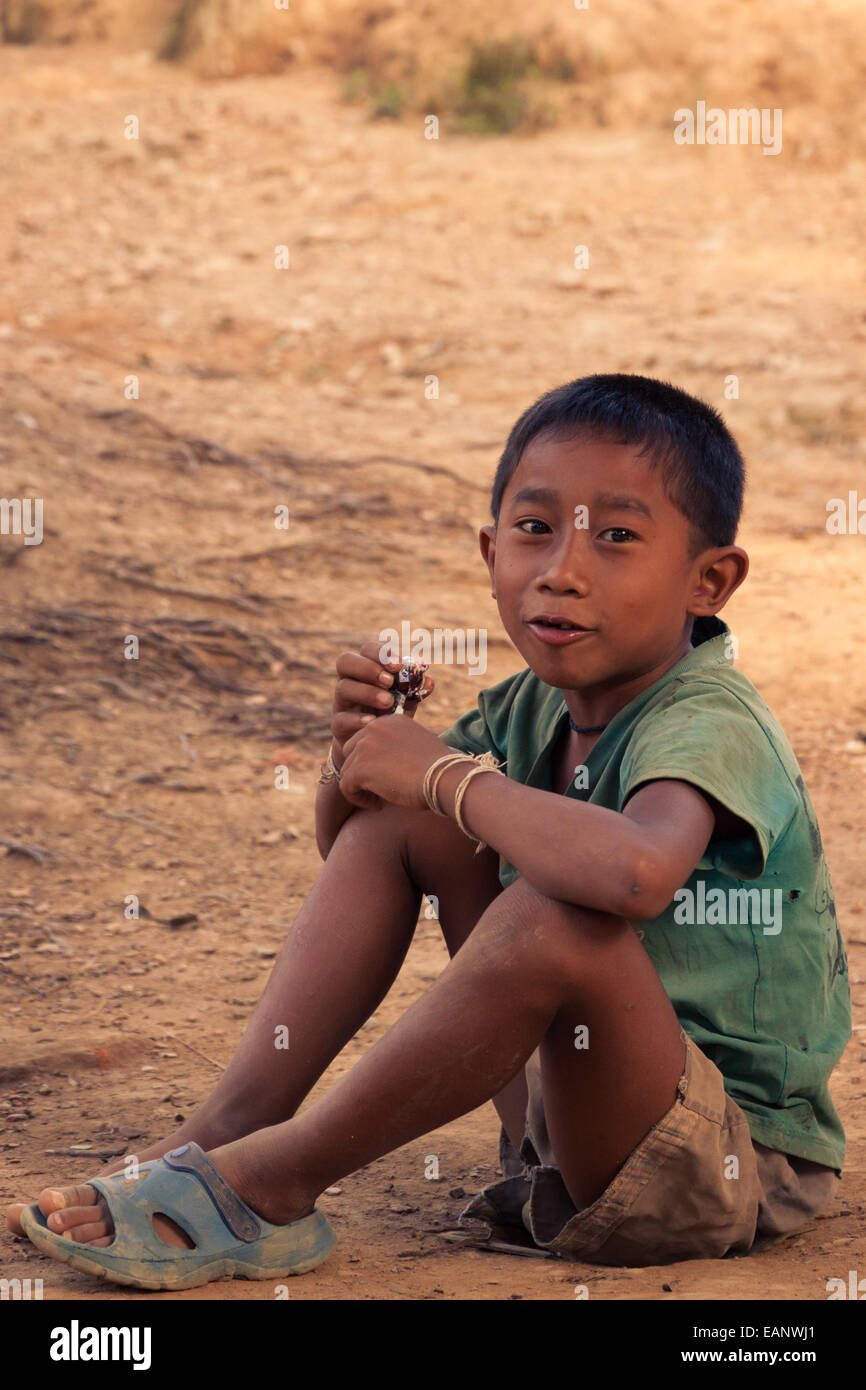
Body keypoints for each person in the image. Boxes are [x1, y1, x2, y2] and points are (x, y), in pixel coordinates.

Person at [6, 374, 851, 1288]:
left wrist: (443, 771)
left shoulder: (708, 716)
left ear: (708, 580)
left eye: (617, 536)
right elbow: (361, 840)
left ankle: (268, 1185)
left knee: (555, 916)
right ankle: (227, 1132)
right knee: (413, 821)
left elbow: (638, 875)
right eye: (534, 530)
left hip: (720, 1162)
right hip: (561, 1127)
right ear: (491, 550)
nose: (562, 568)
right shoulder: (532, 706)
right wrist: (356, 753)